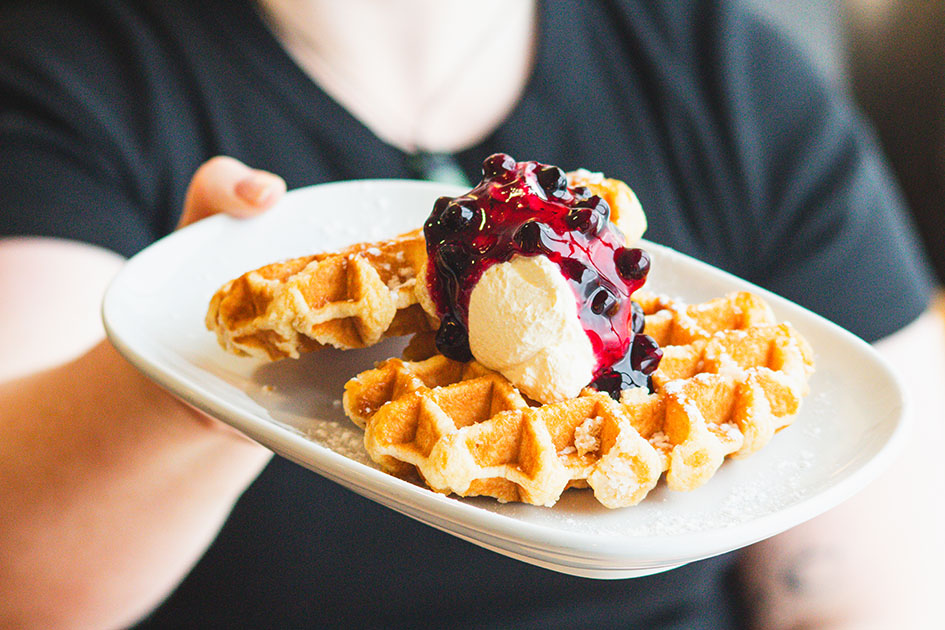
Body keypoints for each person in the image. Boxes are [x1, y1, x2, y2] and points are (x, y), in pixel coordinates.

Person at [1, 1, 943, 628]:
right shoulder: (63, 75)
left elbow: (872, 588)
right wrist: (181, 391)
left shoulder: (734, 79)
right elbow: (21, 587)